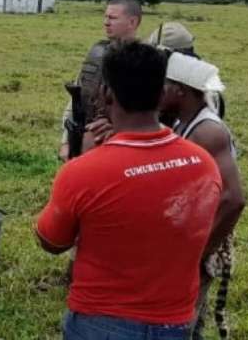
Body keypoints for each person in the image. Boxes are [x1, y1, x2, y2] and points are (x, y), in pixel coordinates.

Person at [36, 42, 222, 339]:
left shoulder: (84, 172)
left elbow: (50, 241)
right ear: (161, 95)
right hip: (175, 323)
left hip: (99, 323)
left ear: (106, 93)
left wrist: (85, 159)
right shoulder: (203, 164)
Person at [160, 52, 245, 340]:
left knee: (181, 323)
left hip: (199, 244)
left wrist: (201, 252)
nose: (157, 91)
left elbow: (234, 200)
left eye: (164, 85)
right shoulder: (184, 121)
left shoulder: (208, 130)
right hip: (191, 240)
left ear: (180, 91)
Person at [59, 0, 142, 162]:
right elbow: (77, 100)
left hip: (129, 149)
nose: (106, 22)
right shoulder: (97, 54)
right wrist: (66, 142)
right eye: (105, 17)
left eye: (113, 18)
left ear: (132, 22)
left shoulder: (146, 61)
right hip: (87, 144)